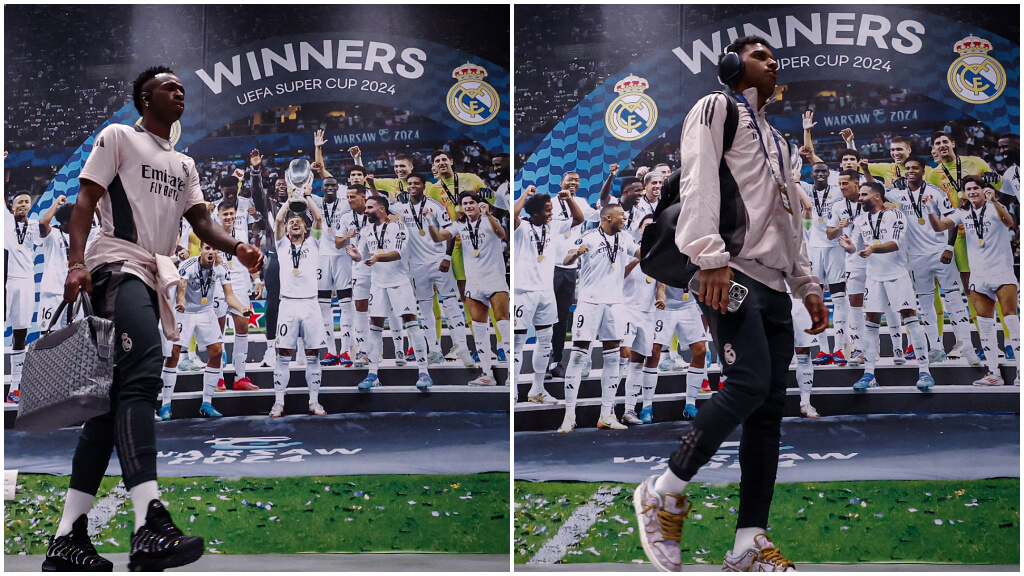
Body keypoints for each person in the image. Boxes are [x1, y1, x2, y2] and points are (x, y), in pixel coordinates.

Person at [47, 66, 262, 572]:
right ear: (146, 98)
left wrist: (237, 246)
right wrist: (77, 263)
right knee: (143, 376)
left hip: (154, 270)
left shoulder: (184, 163)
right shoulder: (118, 136)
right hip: (116, 264)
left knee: (107, 408)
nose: (179, 91)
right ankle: (149, 524)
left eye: (181, 87)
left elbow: (201, 221)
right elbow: (84, 201)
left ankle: (66, 539)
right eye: (169, 86)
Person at [633, 37, 827, 572]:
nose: (773, 63)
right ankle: (664, 489)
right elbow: (697, 181)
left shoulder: (780, 141)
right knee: (745, 386)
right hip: (730, 270)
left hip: (773, 282)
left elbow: (788, 219)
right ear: (734, 65)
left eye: (772, 57)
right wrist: (708, 256)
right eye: (761, 56)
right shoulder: (716, 107)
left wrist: (806, 282)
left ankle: (748, 544)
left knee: (768, 411)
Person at [841, 182, 935, 392]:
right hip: (873, 277)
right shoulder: (859, 219)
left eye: (864, 194)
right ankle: (869, 373)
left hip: (897, 275)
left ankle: (924, 370)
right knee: (871, 323)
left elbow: (897, 243)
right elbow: (855, 247)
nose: (860, 198)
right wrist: (849, 248)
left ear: (877, 196)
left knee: (910, 318)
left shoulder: (896, 215)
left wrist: (874, 249)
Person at [885, 158, 978, 365]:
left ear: (922, 170)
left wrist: (949, 247)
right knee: (925, 304)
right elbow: (873, 192)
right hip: (916, 258)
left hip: (940, 253)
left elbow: (952, 220)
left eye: (914, 168)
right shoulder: (898, 193)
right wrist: (865, 169)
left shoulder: (935, 192)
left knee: (954, 300)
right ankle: (936, 348)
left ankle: (968, 347)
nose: (910, 171)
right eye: (907, 168)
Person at [928, 176, 1019, 386]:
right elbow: (939, 227)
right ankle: (993, 373)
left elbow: (1009, 222)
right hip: (978, 275)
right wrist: (930, 209)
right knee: (985, 327)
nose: (972, 192)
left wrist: (994, 200)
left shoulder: (997, 206)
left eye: (975, 188)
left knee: (1012, 321)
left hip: (1002, 271)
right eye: (968, 189)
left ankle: (1020, 372)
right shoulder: (963, 212)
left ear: (983, 189)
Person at [558, 204, 641, 432]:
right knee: (577, 356)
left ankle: (606, 414)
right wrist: (576, 253)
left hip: (615, 303)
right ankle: (569, 414)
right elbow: (566, 259)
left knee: (613, 357)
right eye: (621, 215)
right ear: (607, 217)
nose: (624, 218)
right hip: (590, 302)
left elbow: (641, 254)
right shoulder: (590, 237)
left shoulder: (625, 237)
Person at [348, 195, 434, 390]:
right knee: (375, 327)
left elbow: (398, 253)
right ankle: (372, 374)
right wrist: (355, 256)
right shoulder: (366, 230)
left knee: (412, 324)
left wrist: (378, 258)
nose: (366, 210)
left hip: (399, 282)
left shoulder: (399, 227)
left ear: (382, 209)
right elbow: (362, 256)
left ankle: (424, 372)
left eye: (370, 207)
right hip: (377, 284)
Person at [392, 173, 475, 366]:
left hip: (439, 261)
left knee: (452, 305)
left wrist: (447, 257)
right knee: (425, 309)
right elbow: (380, 205)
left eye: (416, 183)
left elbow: (451, 231)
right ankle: (434, 350)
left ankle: (463, 349)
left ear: (423, 186)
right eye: (409, 184)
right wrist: (370, 184)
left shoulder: (436, 206)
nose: (412, 186)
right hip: (418, 266)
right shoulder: (402, 206)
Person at [159, 242, 249, 420]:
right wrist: (181, 303)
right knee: (173, 354)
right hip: (185, 311)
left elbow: (229, 295)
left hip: (206, 311)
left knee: (216, 352)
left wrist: (242, 308)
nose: (211, 251)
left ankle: (207, 402)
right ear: (200, 250)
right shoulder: (188, 265)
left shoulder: (221, 268)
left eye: (215, 248)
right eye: (207, 248)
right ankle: (166, 404)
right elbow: (181, 290)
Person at [427, 191, 510, 386]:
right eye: (465, 203)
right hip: (474, 283)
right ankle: (486, 374)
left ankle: (511, 376)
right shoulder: (459, 226)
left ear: (479, 204)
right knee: (479, 331)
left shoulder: (491, 220)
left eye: (472, 202)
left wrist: (488, 214)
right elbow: (438, 238)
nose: (469, 206)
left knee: (504, 327)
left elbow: (502, 234)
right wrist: (430, 221)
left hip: (495, 280)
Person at [513, 185, 581, 402]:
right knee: (517, 343)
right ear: (534, 213)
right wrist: (526, 194)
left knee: (545, 340)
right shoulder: (521, 227)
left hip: (545, 291)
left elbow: (578, 219)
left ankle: (538, 389)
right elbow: (514, 213)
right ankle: (513, 390)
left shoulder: (553, 227)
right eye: (547, 211)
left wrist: (569, 199)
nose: (551, 214)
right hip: (523, 291)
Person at [271, 195, 329, 417]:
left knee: (313, 354)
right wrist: (288, 200)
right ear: (286, 230)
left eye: (299, 222)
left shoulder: (313, 242)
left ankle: (314, 401)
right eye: (291, 222)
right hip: (288, 304)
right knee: (283, 354)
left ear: (306, 228)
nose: (294, 223)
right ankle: (279, 402)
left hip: (310, 304)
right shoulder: (281, 243)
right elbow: (277, 221)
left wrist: (305, 197)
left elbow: (319, 217)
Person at [548, 170, 599, 377]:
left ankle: (556, 361)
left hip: (571, 267)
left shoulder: (582, 203)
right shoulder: (550, 203)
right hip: (550, 266)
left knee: (561, 317)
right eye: (569, 180)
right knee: (545, 318)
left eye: (577, 181)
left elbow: (598, 215)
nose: (573, 183)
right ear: (561, 182)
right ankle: (542, 361)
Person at [799, 162, 848, 365]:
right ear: (811, 174)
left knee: (838, 299)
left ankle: (839, 349)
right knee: (815, 301)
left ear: (829, 174)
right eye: (816, 171)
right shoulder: (805, 189)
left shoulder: (837, 190)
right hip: (813, 249)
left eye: (824, 171)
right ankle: (823, 350)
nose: (820, 174)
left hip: (835, 247)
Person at [211, 200, 261, 390]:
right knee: (218, 333)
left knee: (243, 329)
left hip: (240, 285)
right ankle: (218, 377)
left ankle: (241, 377)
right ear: (218, 216)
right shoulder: (213, 236)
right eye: (225, 215)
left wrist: (256, 280)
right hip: (218, 286)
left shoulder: (241, 235)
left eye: (232, 214)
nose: (229, 217)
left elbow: (250, 261)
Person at [4, 191, 42, 404]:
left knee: (20, 334)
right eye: (20, 201)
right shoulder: (5, 221)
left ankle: (15, 388)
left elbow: (45, 234)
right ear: (12, 206)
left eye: (27, 201)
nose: (24, 204)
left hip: (26, 282)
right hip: (5, 280)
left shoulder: (35, 226)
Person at [37, 196, 74, 333]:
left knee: (69, 333)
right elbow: (42, 224)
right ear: (65, 221)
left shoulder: (79, 236)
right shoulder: (53, 234)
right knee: (48, 332)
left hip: (71, 292)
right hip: (52, 292)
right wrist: (57, 203)